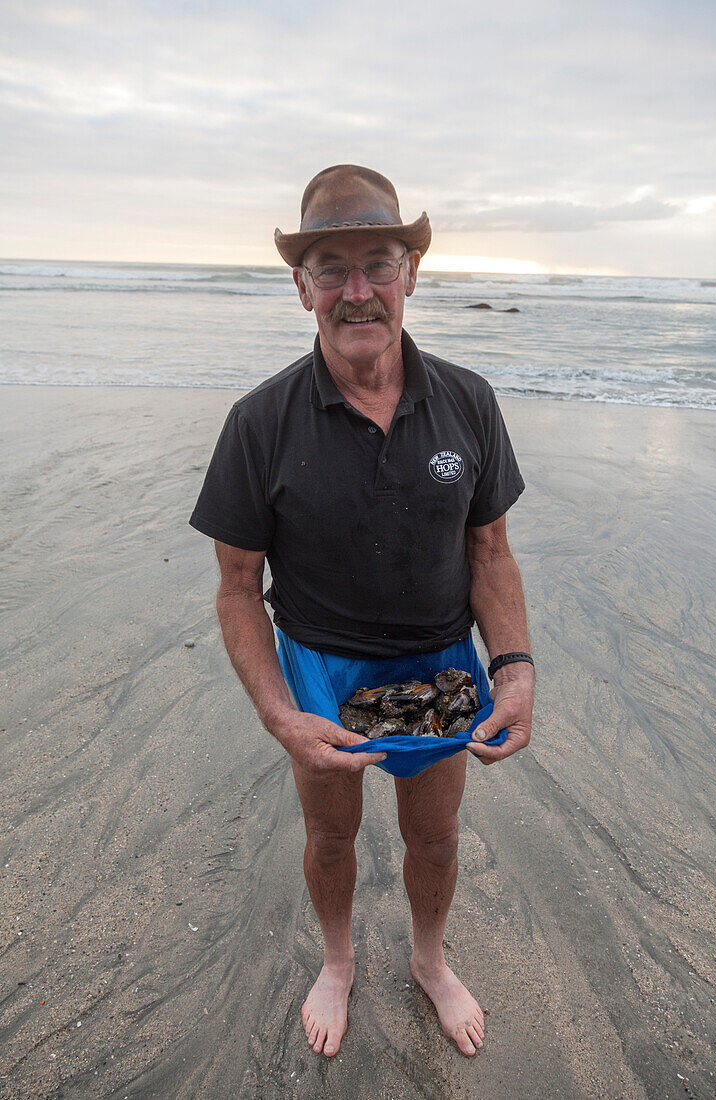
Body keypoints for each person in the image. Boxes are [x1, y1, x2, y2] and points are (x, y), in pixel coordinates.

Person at [189, 165, 535, 1059]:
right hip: (318, 664)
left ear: (411, 273)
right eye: (330, 269)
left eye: (378, 264)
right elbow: (236, 588)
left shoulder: (469, 401)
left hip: (439, 659)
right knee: (330, 832)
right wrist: (278, 714)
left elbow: (490, 553)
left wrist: (515, 670)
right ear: (300, 286)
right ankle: (337, 962)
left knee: (435, 833)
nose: (357, 292)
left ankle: (427, 958)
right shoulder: (259, 421)